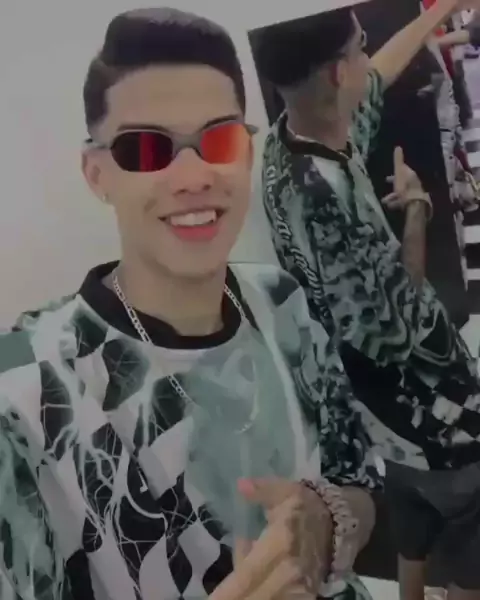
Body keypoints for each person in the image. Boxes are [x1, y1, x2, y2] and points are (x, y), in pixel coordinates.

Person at [0, 8, 384, 600]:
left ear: (246, 153)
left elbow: (361, 485)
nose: (193, 176)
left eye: (219, 139)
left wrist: (325, 517)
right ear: (97, 174)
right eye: (145, 148)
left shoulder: (279, 301)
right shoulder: (23, 387)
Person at [256, 1, 480, 600]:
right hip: (430, 409)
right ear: (337, 71)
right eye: (359, 46)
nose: (368, 59)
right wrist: (416, 210)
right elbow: (399, 325)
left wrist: (437, 13)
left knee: (411, 519)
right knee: (470, 543)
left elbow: (379, 72)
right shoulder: (330, 201)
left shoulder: (288, 143)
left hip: (377, 413)